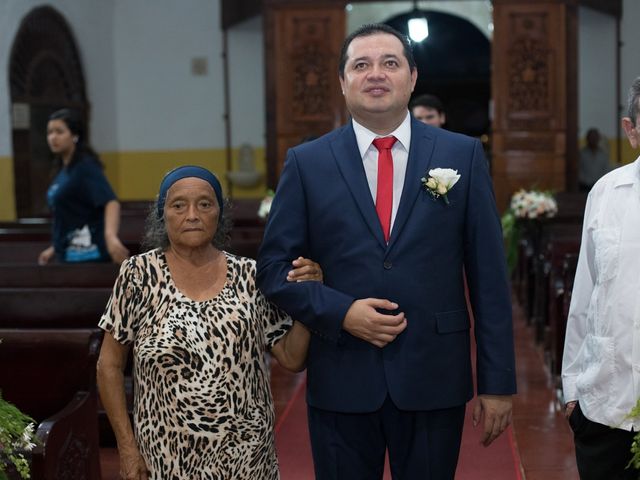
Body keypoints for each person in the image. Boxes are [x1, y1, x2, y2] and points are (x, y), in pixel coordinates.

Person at [257, 23, 516, 480]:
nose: (375, 74)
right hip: (342, 374)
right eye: (361, 65)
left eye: (390, 63)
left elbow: (489, 278)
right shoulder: (307, 163)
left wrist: (497, 384)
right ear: (342, 82)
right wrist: (342, 311)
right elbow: (274, 271)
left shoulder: (462, 156)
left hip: (433, 374)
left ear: (412, 78)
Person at [96, 165, 322, 480]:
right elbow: (108, 365)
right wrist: (127, 448)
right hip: (165, 456)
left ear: (219, 213)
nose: (192, 215)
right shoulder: (138, 275)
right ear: (163, 214)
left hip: (246, 456)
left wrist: (311, 297)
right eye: (178, 205)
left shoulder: (249, 275)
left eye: (205, 204)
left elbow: (292, 357)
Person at [562, 78, 640, 479]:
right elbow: (584, 297)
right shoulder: (607, 193)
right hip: (607, 405)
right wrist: (573, 389)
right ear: (631, 130)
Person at [38, 108, 129, 264]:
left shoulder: (85, 167)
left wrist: (110, 237)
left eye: (59, 132)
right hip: (67, 252)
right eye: (50, 132)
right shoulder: (62, 170)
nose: (53, 137)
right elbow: (72, 215)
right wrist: (54, 248)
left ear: (74, 136)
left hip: (89, 254)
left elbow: (110, 202)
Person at [578, 127, 610, 192]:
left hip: (600, 186)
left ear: (598, 139)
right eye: (591, 138)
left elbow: (606, 170)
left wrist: (601, 182)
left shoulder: (603, 154)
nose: (593, 140)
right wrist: (585, 181)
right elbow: (579, 170)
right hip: (584, 187)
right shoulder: (581, 154)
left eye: (595, 137)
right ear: (587, 139)